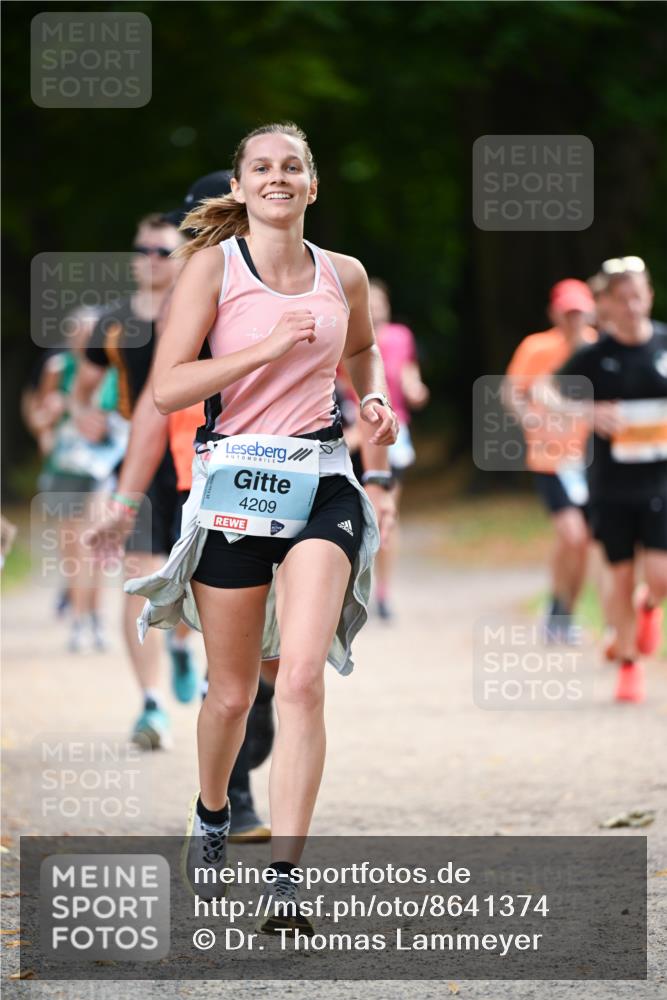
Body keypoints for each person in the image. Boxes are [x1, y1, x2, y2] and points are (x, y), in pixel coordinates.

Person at [124, 122, 397, 933]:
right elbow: (169, 389)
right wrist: (264, 350)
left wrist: (370, 397)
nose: (277, 178)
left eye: (292, 167)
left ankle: (285, 878)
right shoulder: (213, 269)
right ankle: (212, 813)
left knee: (304, 677)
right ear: (239, 188)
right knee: (233, 694)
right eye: (261, 167)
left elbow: (364, 351)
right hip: (235, 486)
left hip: (319, 482)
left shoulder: (342, 273)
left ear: (312, 185)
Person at [71, 212, 199, 747]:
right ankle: (151, 705)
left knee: (197, 577)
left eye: (160, 250)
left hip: (196, 454)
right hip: (139, 459)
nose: (148, 259)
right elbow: (85, 381)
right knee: (139, 577)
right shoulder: (114, 322)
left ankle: (182, 647)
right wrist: (83, 413)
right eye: (141, 248)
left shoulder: (203, 310)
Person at [556, 258, 667, 702]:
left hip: (660, 482)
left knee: (659, 578)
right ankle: (628, 662)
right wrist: (589, 412)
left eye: (638, 296)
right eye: (621, 299)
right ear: (608, 306)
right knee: (618, 576)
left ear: (650, 297)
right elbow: (548, 392)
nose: (632, 306)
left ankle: (648, 607)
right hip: (612, 485)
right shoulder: (595, 357)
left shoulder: (663, 344)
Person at [504, 279, 598, 641]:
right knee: (573, 536)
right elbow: (512, 391)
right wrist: (527, 414)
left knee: (583, 541)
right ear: (555, 312)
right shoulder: (538, 347)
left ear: (589, 312)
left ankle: (564, 611)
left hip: (589, 461)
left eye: (579, 312)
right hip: (549, 458)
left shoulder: (598, 348)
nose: (574, 319)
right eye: (567, 312)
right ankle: (558, 608)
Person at [28, 306, 125, 650]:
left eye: (92, 334)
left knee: (93, 546)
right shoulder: (58, 369)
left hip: (101, 469)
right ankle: (80, 619)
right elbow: (40, 418)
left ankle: (94, 619)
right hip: (65, 468)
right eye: (80, 334)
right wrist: (49, 417)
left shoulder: (115, 370)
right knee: (75, 551)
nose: (86, 341)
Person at [368, 278, 429, 620]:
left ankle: (384, 592)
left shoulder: (400, 337)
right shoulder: (349, 335)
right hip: (355, 435)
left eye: (380, 301)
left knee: (385, 512)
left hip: (394, 433)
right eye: (370, 301)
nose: (375, 307)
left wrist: (416, 389)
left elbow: (408, 375)